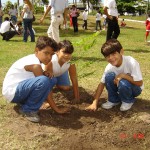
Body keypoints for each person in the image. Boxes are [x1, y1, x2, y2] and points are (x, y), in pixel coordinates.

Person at [2, 36, 69, 123]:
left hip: (19, 91)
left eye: (51, 55)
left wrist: (44, 73)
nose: (49, 57)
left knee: (52, 79)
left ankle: (27, 103)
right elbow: (45, 86)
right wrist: (56, 109)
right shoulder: (35, 64)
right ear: (37, 50)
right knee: (44, 81)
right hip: (12, 93)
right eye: (46, 53)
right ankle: (28, 110)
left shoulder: (36, 61)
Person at [86, 39, 143, 112]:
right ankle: (113, 100)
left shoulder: (131, 62)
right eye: (107, 56)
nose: (111, 58)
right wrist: (94, 103)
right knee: (108, 77)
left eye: (113, 54)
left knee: (123, 81)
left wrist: (123, 75)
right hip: (121, 87)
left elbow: (139, 83)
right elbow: (101, 84)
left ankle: (128, 101)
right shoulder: (109, 67)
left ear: (121, 51)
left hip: (135, 89)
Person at [41, 40, 80, 109]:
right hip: (45, 75)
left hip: (59, 72)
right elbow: (47, 81)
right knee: (52, 80)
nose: (67, 55)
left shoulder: (71, 63)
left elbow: (74, 78)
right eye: (64, 52)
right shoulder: (51, 61)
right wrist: (48, 102)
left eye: (69, 53)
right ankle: (45, 99)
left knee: (66, 88)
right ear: (57, 52)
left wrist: (76, 97)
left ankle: (57, 83)